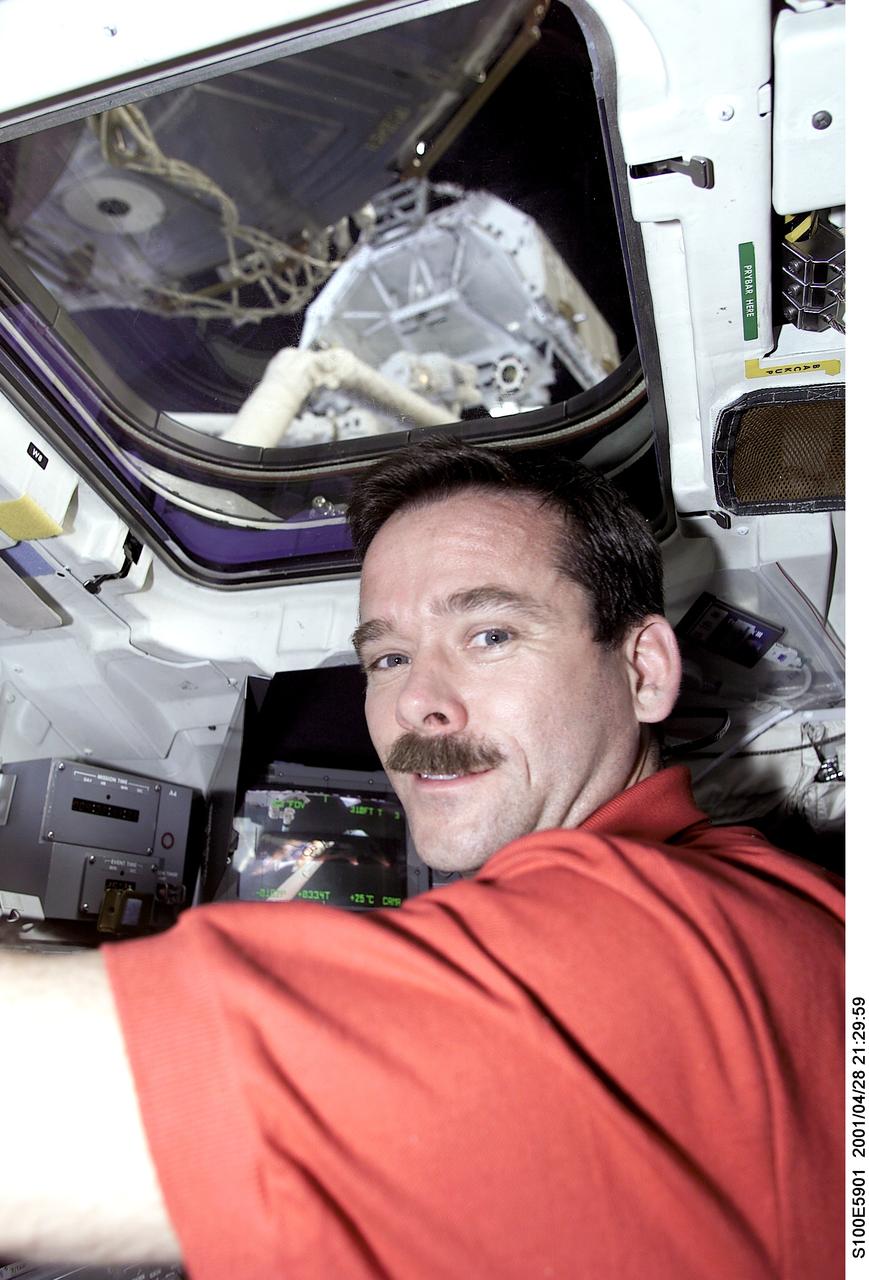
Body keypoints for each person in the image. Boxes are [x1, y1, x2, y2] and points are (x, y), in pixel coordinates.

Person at [0, 439, 844, 1278]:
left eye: (488, 634)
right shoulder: (743, 888)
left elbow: (40, 1118)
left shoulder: (652, 940)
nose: (415, 705)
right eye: (388, 658)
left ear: (643, 671)